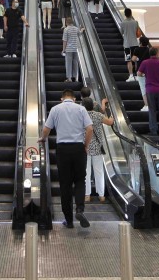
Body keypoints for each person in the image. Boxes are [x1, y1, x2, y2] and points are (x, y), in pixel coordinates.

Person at [40, 88, 93, 228]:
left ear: (62, 99)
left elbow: (46, 129)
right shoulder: (81, 109)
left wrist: (43, 139)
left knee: (65, 184)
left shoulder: (55, 109)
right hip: (78, 148)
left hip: (62, 149)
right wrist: (85, 145)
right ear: (74, 99)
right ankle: (80, 209)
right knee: (80, 180)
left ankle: (68, 221)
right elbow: (90, 129)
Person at [82, 98, 114, 203]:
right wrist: (113, 115)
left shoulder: (81, 116)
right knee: (99, 171)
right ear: (93, 105)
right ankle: (101, 195)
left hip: (85, 147)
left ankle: (87, 195)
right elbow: (110, 122)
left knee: (86, 172)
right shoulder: (98, 115)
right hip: (97, 148)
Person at [137, 48, 159, 136]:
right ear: (157, 53)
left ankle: (153, 130)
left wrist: (146, 75)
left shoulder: (145, 62)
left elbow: (139, 73)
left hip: (150, 89)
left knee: (152, 110)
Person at [121, 9, 143, 82]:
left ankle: (131, 75)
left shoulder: (122, 23)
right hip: (135, 44)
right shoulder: (135, 22)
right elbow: (138, 32)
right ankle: (136, 75)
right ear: (131, 13)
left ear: (125, 14)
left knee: (128, 60)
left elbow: (122, 32)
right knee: (136, 59)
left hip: (127, 45)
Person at [131, 37, 152, 110]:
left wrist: (138, 59)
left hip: (140, 70)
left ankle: (146, 105)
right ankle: (152, 104)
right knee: (149, 87)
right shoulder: (149, 50)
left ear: (141, 42)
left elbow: (133, 59)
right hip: (149, 71)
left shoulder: (137, 49)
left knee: (143, 88)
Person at [62, 16, 82, 83]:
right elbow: (80, 33)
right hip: (76, 49)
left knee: (68, 63)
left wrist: (63, 49)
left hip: (69, 49)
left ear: (66, 23)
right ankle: (76, 78)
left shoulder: (66, 29)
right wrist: (82, 30)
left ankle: (69, 78)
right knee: (75, 63)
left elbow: (65, 41)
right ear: (72, 22)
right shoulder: (76, 28)